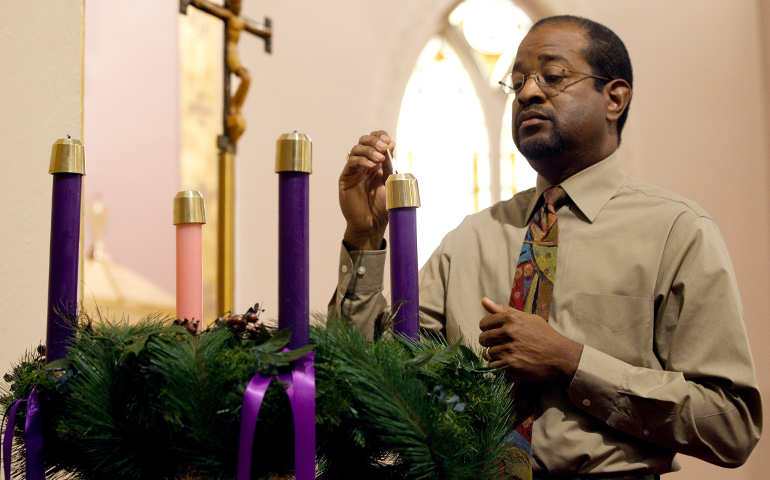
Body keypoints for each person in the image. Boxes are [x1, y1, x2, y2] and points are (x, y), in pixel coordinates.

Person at [329, 15, 762, 479]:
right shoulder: (470, 238)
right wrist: (364, 237)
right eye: (517, 83)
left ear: (614, 97)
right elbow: (372, 382)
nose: (528, 94)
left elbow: (731, 423)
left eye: (552, 77)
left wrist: (572, 362)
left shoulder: (676, 231)